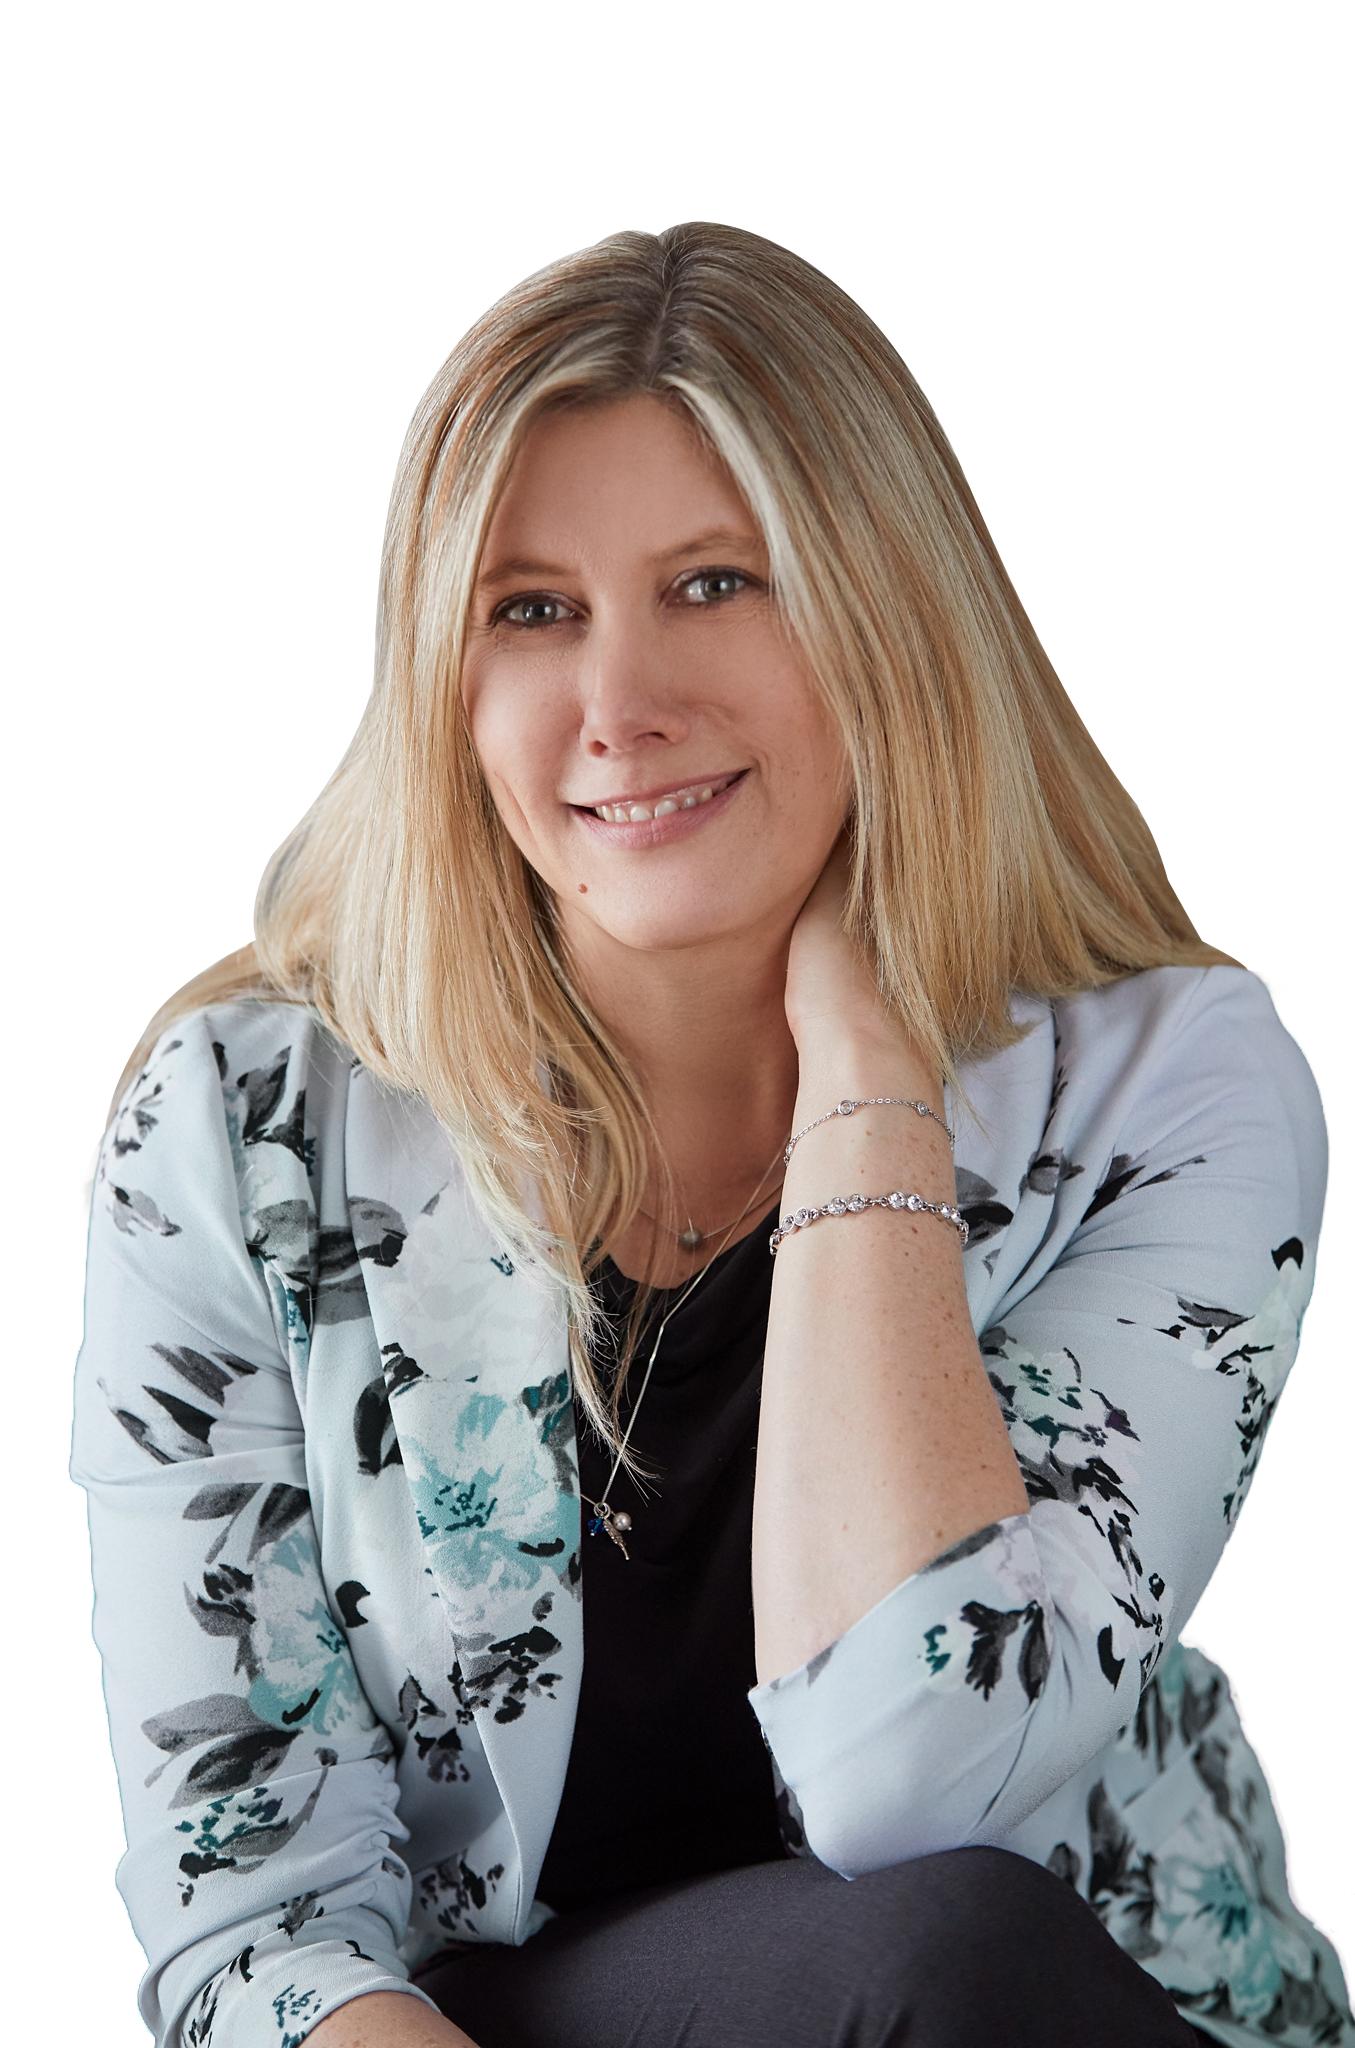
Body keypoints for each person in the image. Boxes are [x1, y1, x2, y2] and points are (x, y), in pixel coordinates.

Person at [73, 222, 1351, 2048]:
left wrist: (865, 1073)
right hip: (493, 2026)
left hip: (1039, 2011)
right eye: (531, 609)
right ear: (447, 677)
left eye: (714, 583)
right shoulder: (241, 1127)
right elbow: (255, 1921)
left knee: (943, 1955)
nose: (618, 706)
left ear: (885, 611)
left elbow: (917, 1782)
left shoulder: (1167, 1089)